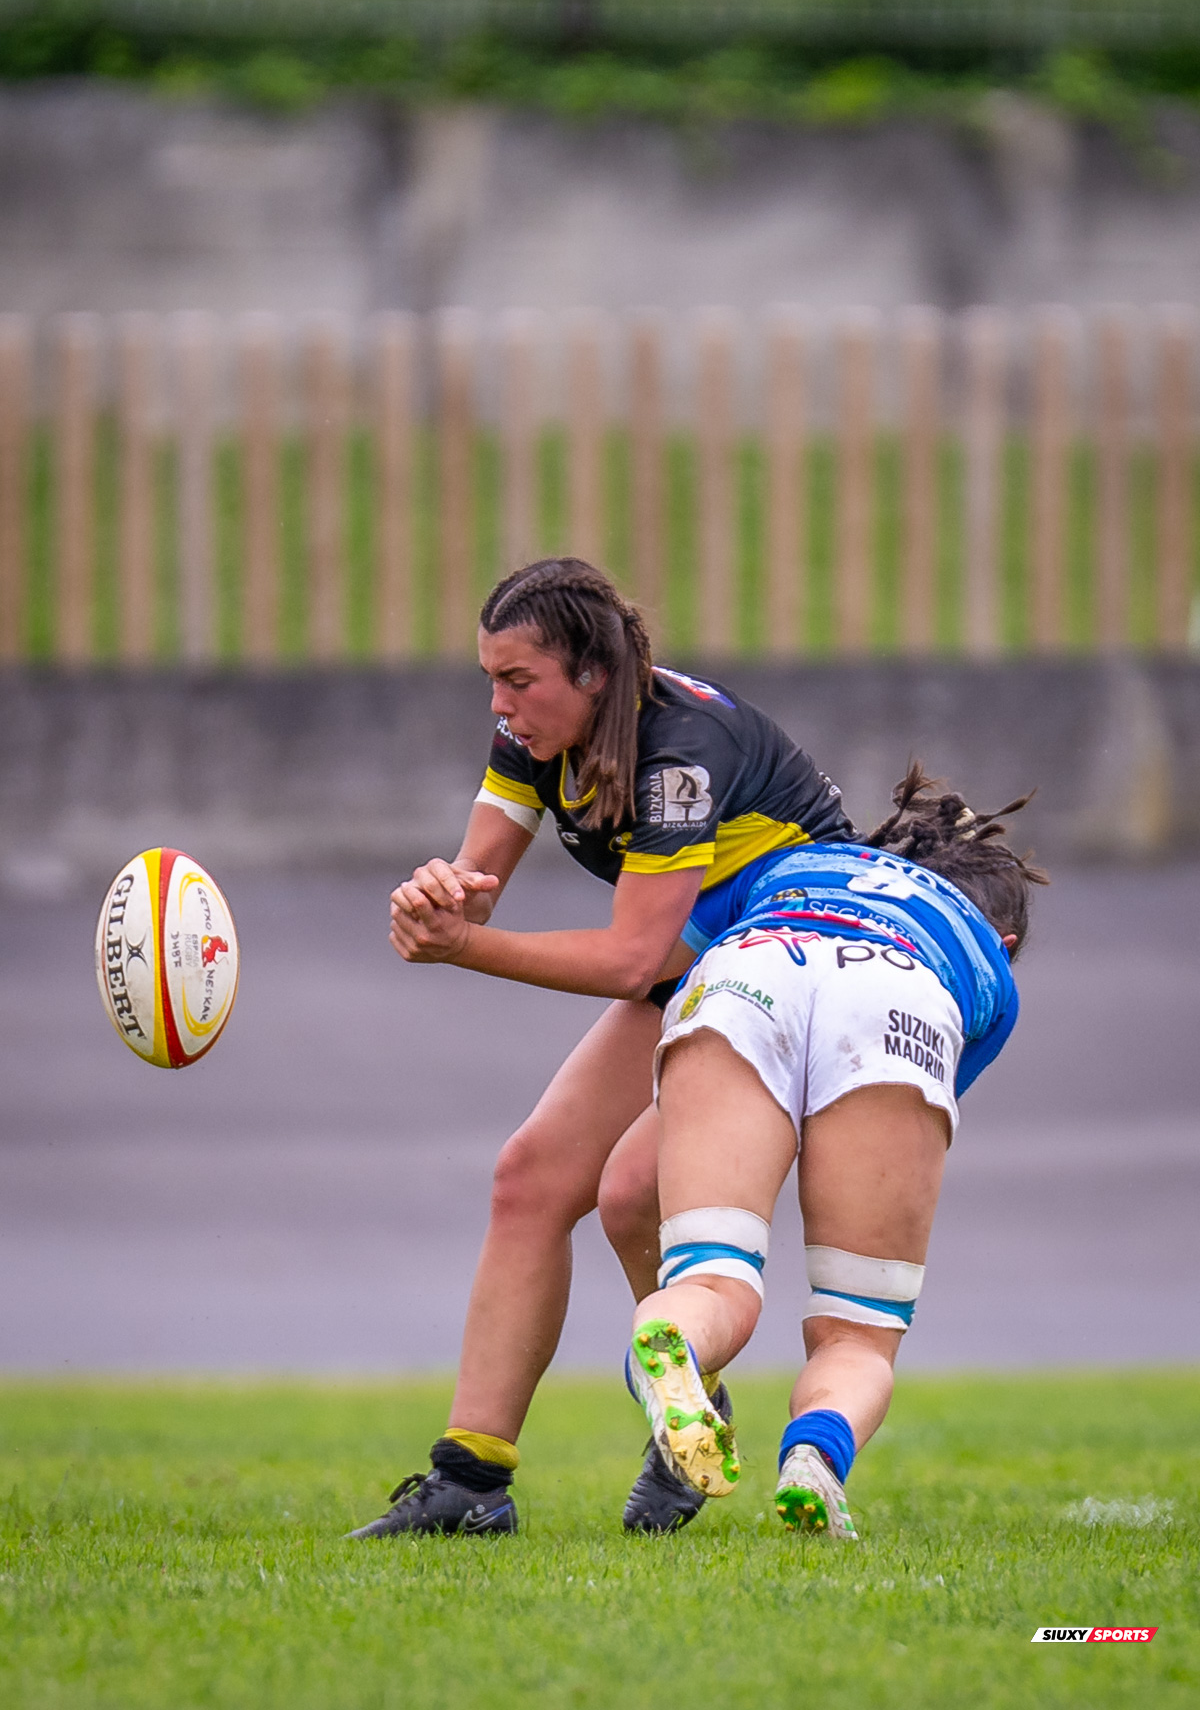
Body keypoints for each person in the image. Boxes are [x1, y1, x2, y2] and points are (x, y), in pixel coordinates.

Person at [348, 556, 856, 1539]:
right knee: (531, 1177)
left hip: (797, 962)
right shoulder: (534, 735)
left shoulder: (680, 753)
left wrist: (463, 949)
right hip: (706, 953)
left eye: (519, 681)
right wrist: (439, 898)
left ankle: (685, 1406)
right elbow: (477, 882)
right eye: (491, 680)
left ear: (595, 673)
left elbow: (631, 960)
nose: (500, 706)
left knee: (629, 1191)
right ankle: (469, 1483)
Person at [624, 765, 1047, 1537]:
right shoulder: (984, 958)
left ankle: (674, 1340)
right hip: (901, 997)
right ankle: (815, 1456)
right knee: (857, 1330)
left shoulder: (797, 863)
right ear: (1006, 940)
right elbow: (907, 1114)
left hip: (751, 967)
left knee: (713, 1277)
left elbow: (662, 949)